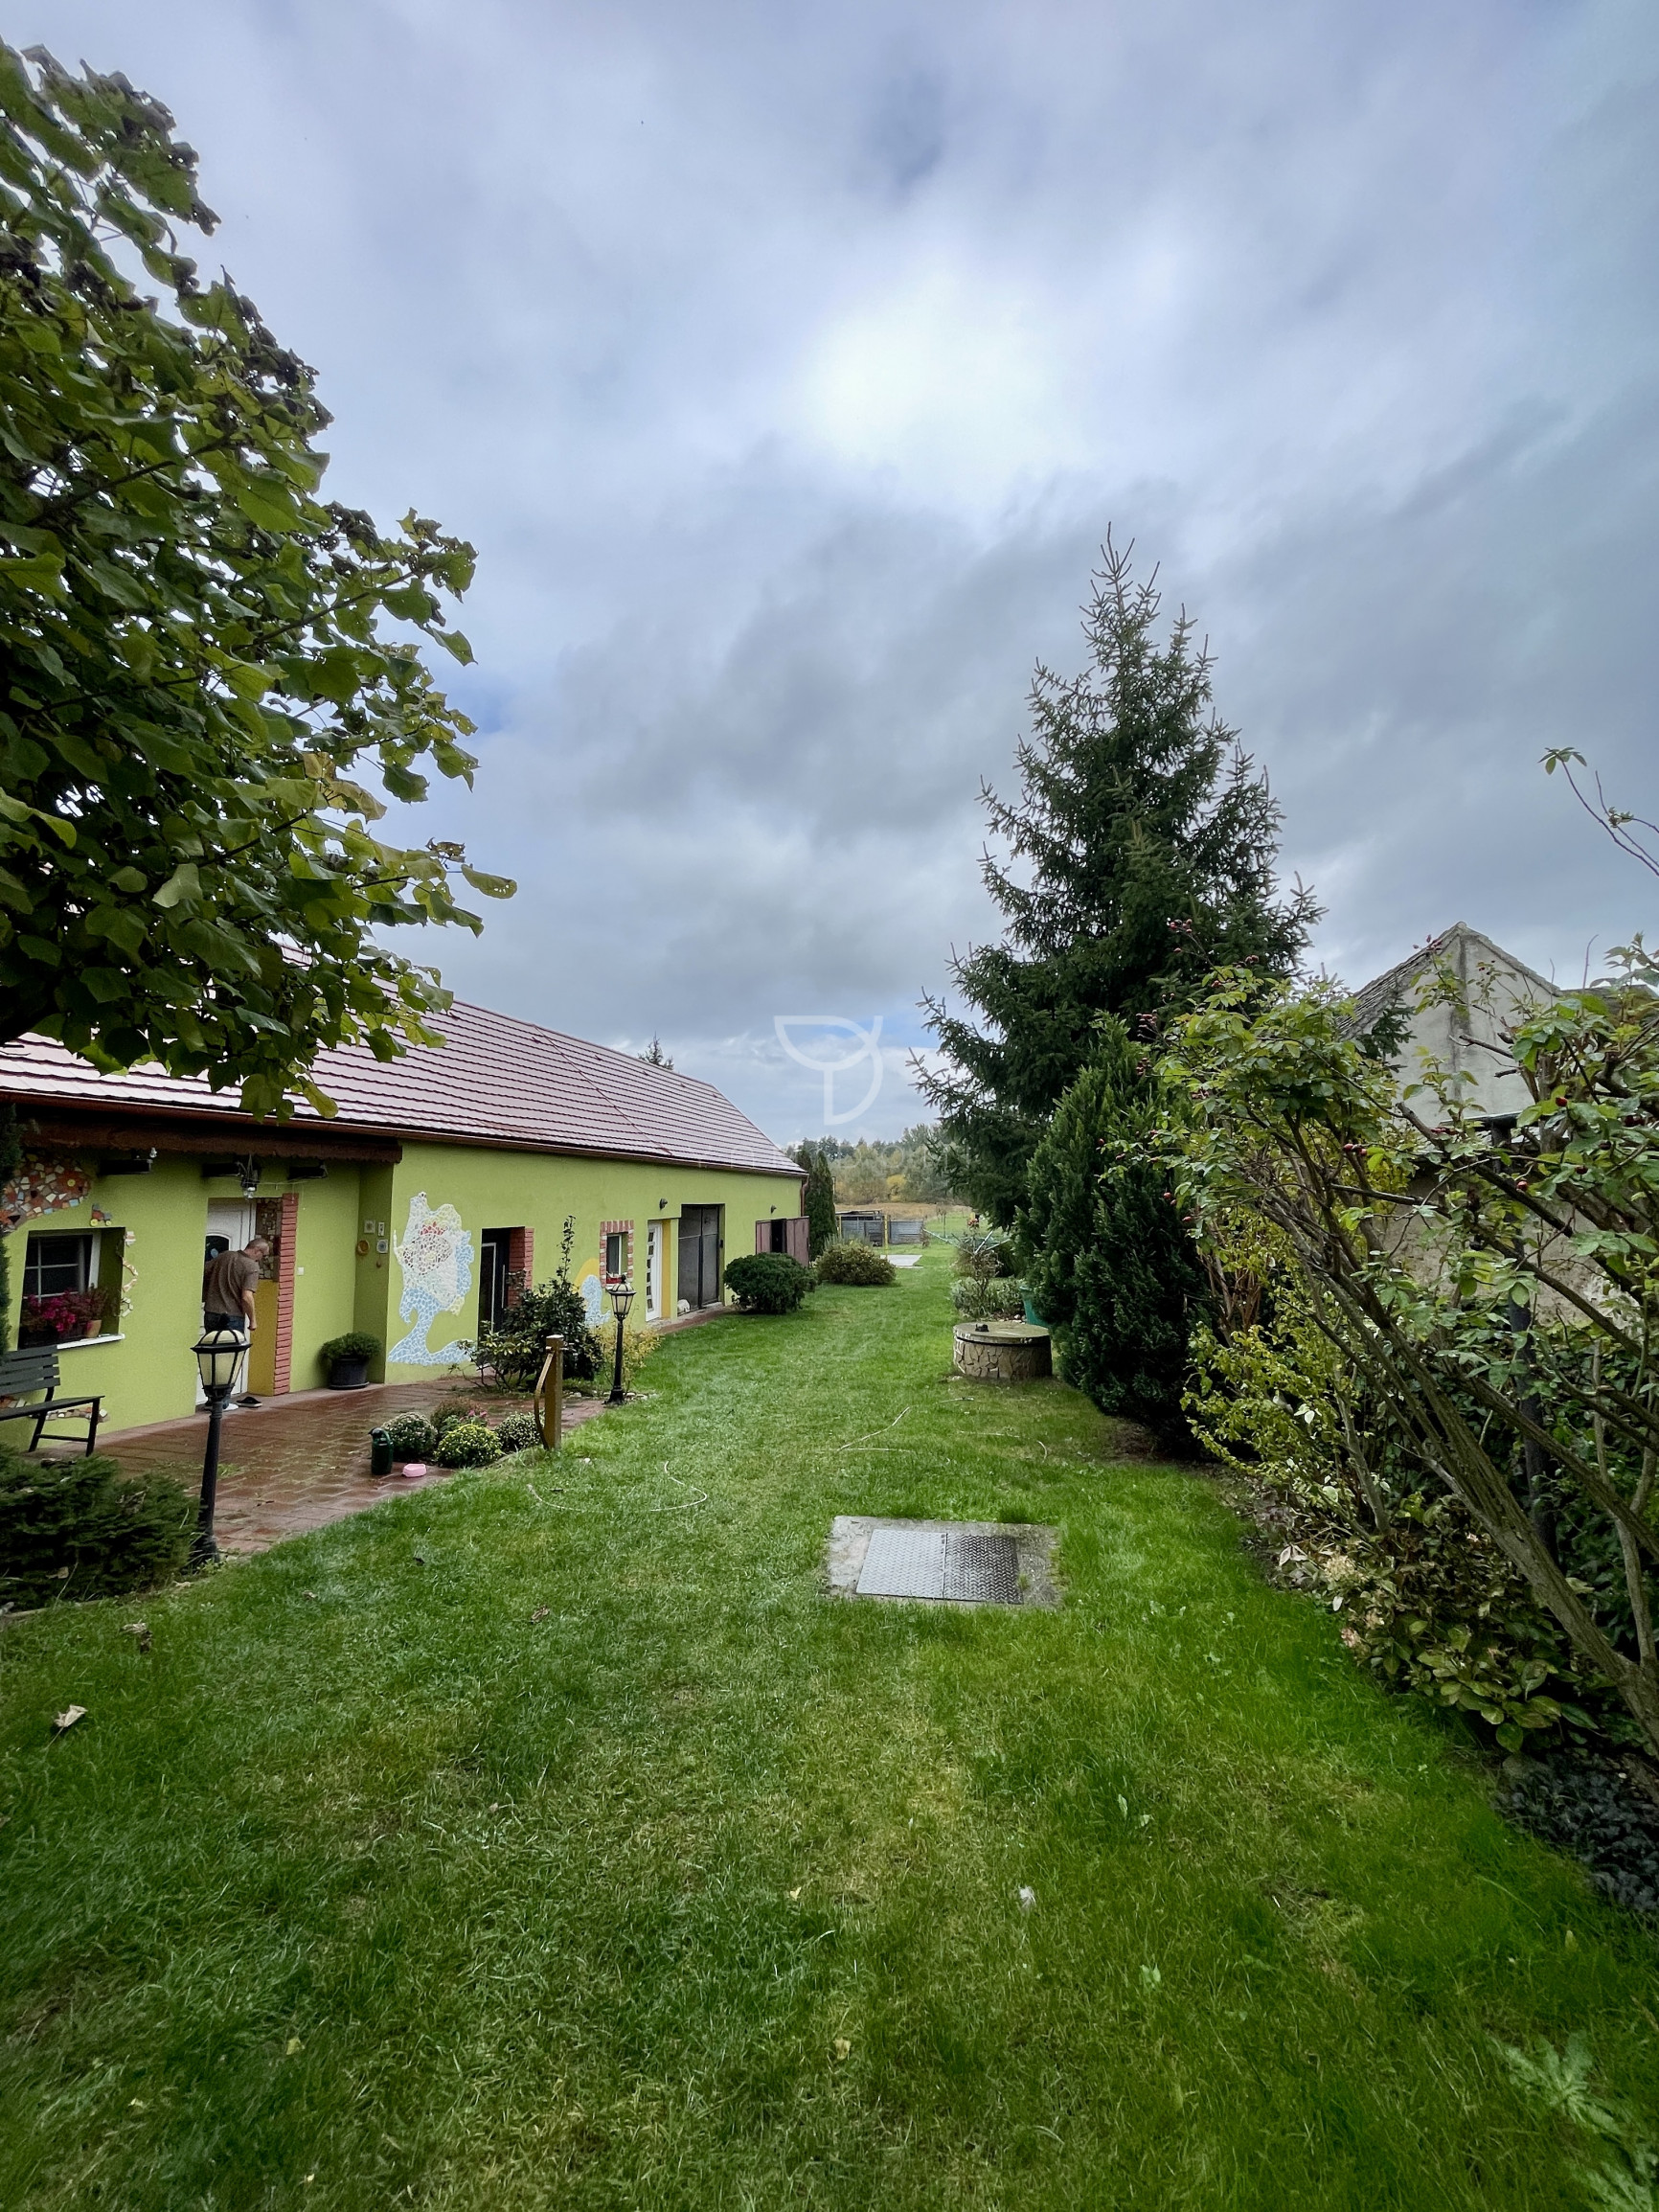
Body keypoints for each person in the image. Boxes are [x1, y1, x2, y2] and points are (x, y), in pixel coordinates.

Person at [202, 1236, 269, 1408]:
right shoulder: (251, 1267)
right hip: (232, 1317)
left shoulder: (224, 1256)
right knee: (230, 1359)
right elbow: (247, 1297)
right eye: (263, 1255)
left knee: (211, 1357)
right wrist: (253, 1320)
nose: (261, 1259)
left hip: (211, 1313)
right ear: (257, 1251)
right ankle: (223, 1401)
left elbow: (204, 1272)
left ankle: (211, 1399)